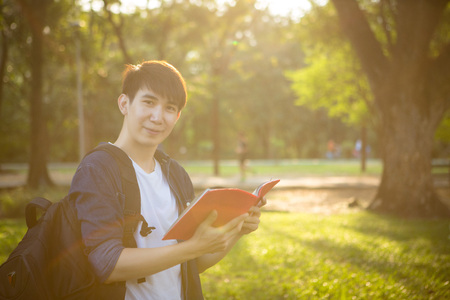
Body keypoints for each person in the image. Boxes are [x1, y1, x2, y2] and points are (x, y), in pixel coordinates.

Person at [68, 61, 263, 299]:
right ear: (124, 103)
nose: (158, 116)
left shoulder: (175, 174)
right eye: (148, 102)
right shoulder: (98, 169)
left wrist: (237, 230)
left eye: (170, 108)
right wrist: (190, 248)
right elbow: (106, 263)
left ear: (177, 116)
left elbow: (190, 263)